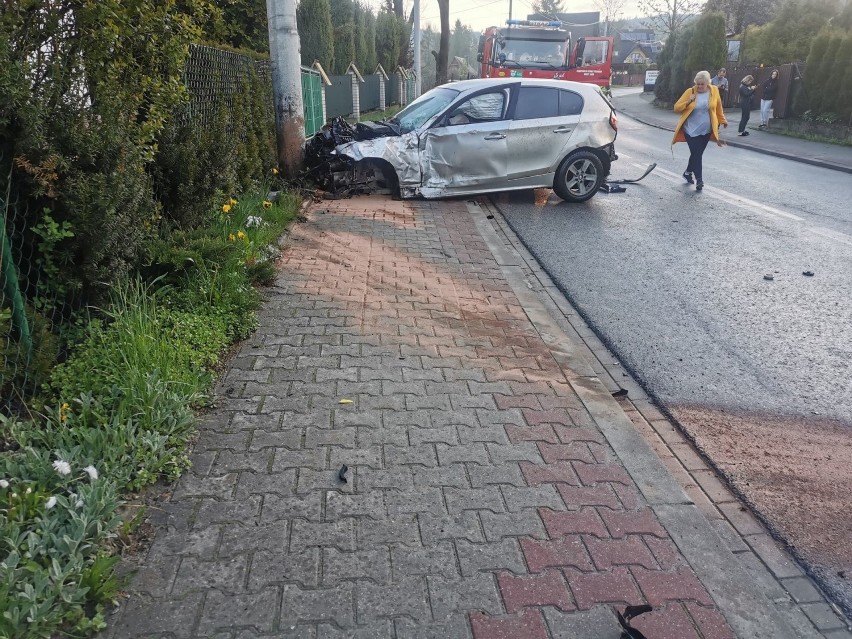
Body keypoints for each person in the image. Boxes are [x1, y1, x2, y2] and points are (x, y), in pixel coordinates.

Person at [672, 70, 728, 191]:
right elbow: (676, 108)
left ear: (708, 83)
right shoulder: (690, 92)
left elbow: (718, 107)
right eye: (698, 84)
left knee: (697, 154)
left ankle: (687, 172)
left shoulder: (714, 91)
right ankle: (699, 180)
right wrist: (688, 101)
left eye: (702, 84)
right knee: (697, 154)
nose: (700, 86)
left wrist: (723, 120)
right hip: (690, 130)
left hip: (706, 130)